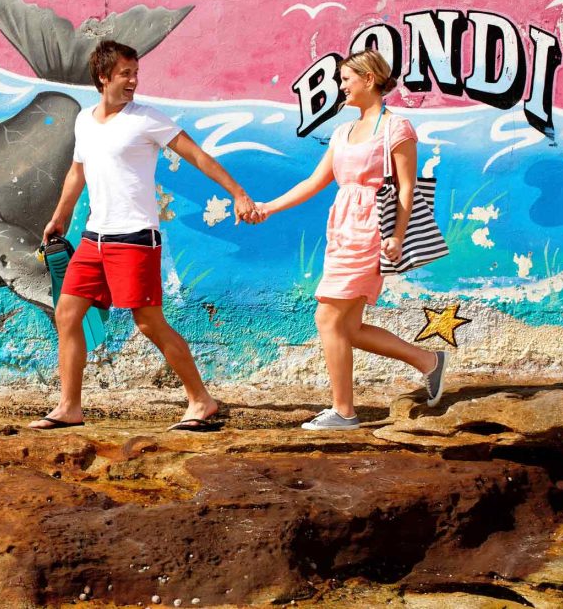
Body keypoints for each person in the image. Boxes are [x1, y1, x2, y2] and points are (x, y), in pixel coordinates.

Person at [28, 40, 257, 432]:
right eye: (125, 74)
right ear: (103, 77)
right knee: (67, 314)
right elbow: (76, 172)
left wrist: (238, 193)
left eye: (136, 73)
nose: (134, 81)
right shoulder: (84, 120)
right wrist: (60, 218)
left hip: (134, 238)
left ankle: (201, 401)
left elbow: (197, 155)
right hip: (93, 238)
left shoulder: (146, 118)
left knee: (149, 322)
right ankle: (69, 407)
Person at [252, 49, 447, 431]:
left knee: (327, 316)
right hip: (342, 229)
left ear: (369, 80)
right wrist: (267, 207)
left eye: (346, 79)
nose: (341, 86)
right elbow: (313, 182)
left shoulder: (397, 128)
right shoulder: (343, 133)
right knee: (349, 328)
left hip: (371, 228)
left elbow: (406, 189)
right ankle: (429, 361)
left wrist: (396, 235)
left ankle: (344, 412)